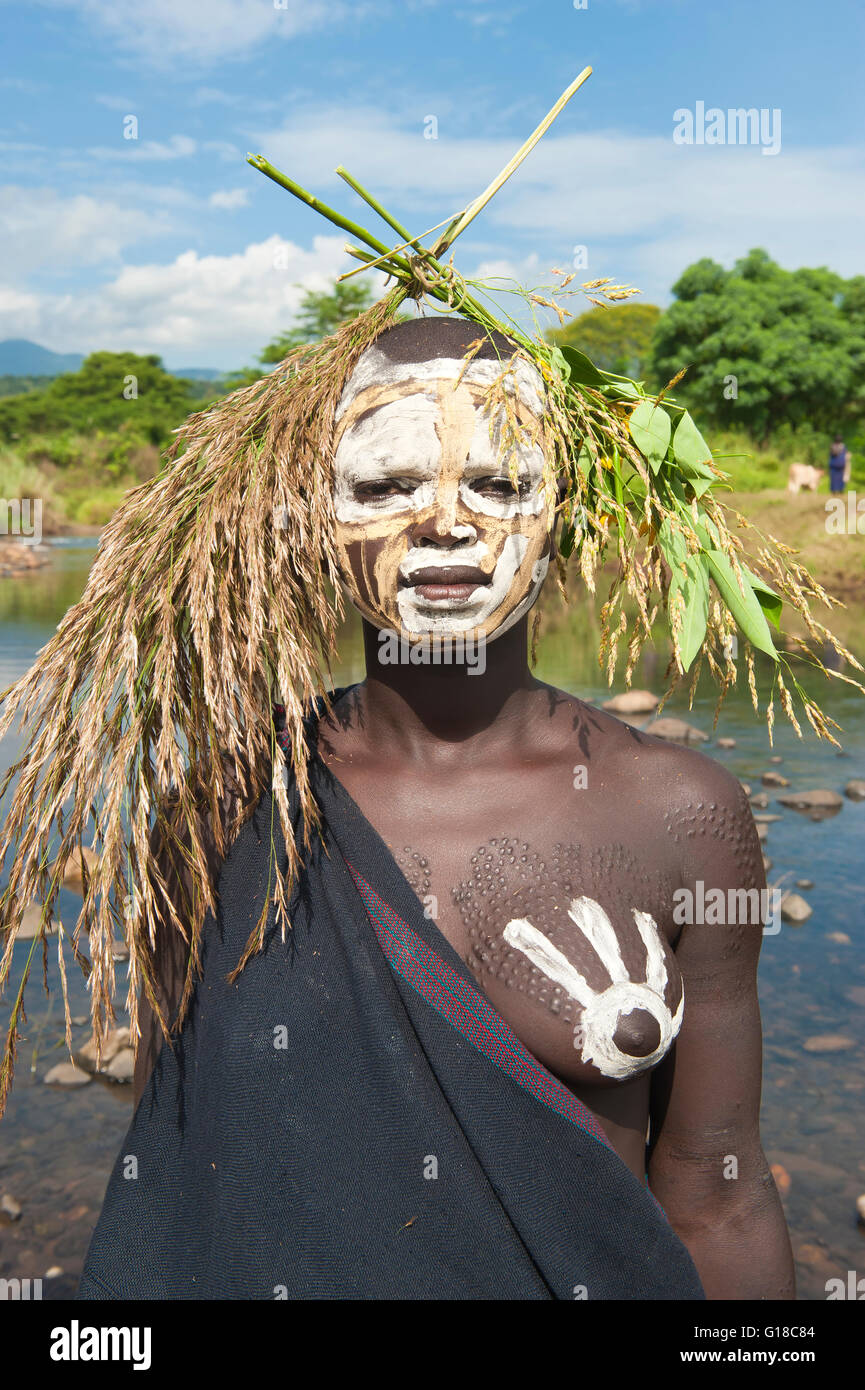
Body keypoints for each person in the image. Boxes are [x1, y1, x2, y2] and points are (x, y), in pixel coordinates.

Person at [64, 316, 792, 1300]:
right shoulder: (229, 799)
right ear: (318, 515)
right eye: (385, 485)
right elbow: (185, 1157)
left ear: (561, 508)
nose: (445, 521)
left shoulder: (675, 812)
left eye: (495, 483)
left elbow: (716, 1193)